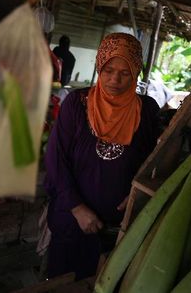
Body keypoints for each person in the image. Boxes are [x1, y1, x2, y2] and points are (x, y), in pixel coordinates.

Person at [43, 33, 161, 280]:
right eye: (108, 70)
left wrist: (138, 192)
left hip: (120, 228)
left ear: (136, 71)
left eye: (124, 72)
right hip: (72, 220)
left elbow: (155, 160)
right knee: (61, 282)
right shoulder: (77, 104)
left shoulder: (147, 109)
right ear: (99, 67)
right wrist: (76, 208)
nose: (115, 79)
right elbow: (56, 159)